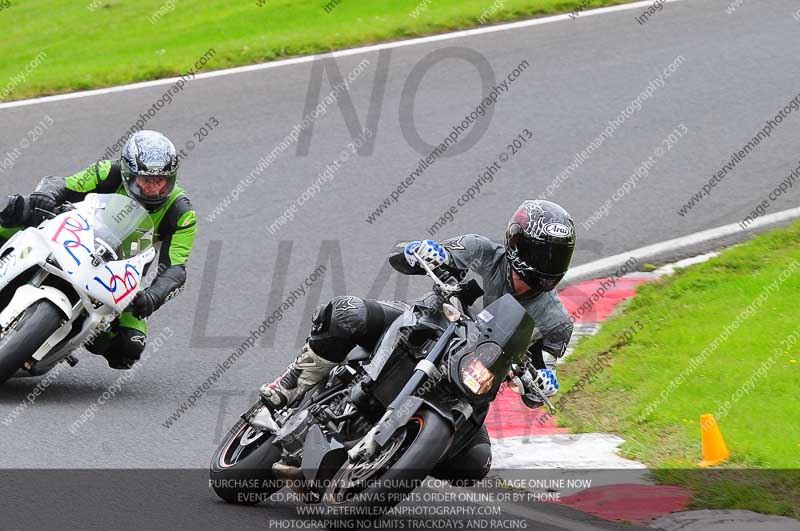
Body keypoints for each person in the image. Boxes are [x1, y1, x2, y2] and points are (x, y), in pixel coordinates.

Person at [260, 199, 575, 481]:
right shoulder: (479, 251)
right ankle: (291, 384)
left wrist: (545, 380)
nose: (547, 263)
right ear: (517, 241)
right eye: (541, 251)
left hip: (470, 379)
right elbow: (401, 258)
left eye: (557, 256)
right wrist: (421, 251)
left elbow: (540, 376)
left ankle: (396, 459)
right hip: (421, 327)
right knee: (347, 313)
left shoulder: (556, 321)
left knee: (476, 463)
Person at [0, 130, 197, 370]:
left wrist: (153, 296)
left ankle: (64, 338)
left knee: (128, 347)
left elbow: (176, 269)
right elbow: (64, 184)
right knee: (13, 210)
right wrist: (45, 196)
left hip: (119, 272)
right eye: (145, 180)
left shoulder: (181, 212)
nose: (152, 189)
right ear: (128, 173)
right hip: (75, 237)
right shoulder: (108, 172)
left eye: (160, 181)